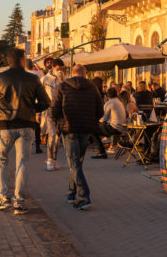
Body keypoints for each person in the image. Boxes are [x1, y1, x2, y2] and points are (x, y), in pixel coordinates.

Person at [0, 48, 51, 216]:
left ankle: (4, 198)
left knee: (2, 160)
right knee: (22, 162)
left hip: (6, 126)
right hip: (26, 125)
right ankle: (19, 201)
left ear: (9, 61)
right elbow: (46, 102)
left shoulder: (0, 78)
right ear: (23, 60)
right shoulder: (33, 79)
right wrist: (32, 108)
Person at [52, 63, 104, 210]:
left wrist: (59, 125)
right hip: (86, 129)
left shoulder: (62, 86)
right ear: (85, 74)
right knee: (77, 163)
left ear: (72, 73)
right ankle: (71, 193)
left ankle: (84, 196)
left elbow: (54, 110)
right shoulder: (92, 87)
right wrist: (90, 119)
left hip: (69, 129)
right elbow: (100, 111)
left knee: (74, 164)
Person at [40, 58, 66, 171]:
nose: (60, 71)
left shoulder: (64, 80)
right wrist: (37, 112)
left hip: (61, 111)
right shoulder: (44, 79)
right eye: (58, 69)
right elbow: (39, 96)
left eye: (61, 69)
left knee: (57, 136)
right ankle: (50, 160)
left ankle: (53, 160)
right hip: (49, 109)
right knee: (52, 134)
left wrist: (62, 81)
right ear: (53, 68)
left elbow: (67, 93)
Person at [93, 87, 127, 159]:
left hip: (114, 128)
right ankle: (105, 146)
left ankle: (102, 152)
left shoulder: (109, 103)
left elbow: (103, 119)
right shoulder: (119, 102)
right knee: (98, 127)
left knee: (92, 130)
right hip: (122, 128)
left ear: (107, 95)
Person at [25, 59, 45, 154]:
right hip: (35, 100)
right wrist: (40, 70)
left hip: (25, 102)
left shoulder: (22, 74)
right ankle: (37, 146)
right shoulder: (37, 73)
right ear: (32, 65)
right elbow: (44, 76)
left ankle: (26, 145)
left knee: (26, 125)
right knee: (37, 125)